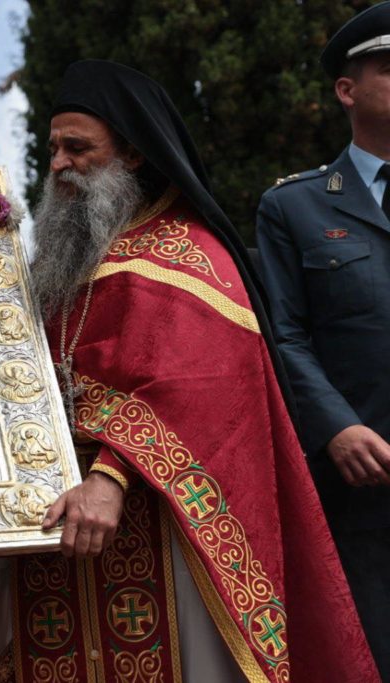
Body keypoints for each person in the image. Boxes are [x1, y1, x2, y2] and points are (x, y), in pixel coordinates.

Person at [0, 60, 377, 682]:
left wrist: (110, 477)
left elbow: (199, 390)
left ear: (133, 153)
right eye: (53, 149)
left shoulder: (191, 257)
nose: (57, 164)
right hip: (50, 524)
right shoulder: (62, 268)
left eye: (78, 148)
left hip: (159, 529)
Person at [255, 3, 390, 678]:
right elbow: (284, 334)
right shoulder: (294, 206)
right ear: (347, 89)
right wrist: (336, 426)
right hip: (361, 489)